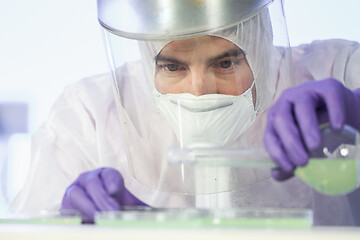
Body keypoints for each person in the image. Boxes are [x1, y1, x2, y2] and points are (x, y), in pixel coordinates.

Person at [9, 0, 360, 225]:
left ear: (258, 42)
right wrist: (64, 226)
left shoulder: (335, 70)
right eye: (173, 68)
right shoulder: (89, 116)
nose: (199, 89)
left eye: (225, 62)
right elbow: (29, 226)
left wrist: (356, 109)